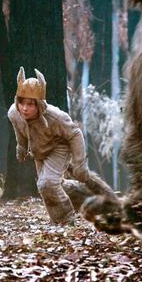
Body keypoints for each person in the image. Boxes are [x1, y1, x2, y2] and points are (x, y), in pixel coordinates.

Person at [8, 66, 89, 224]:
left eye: (30, 104)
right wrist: (22, 147)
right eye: (22, 103)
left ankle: (66, 219)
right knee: (46, 186)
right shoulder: (14, 113)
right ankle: (79, 195)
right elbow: (19, 130)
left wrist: (80, 163)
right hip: (39, 150)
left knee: (47, 183)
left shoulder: (55, 117)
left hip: (59, 147)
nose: (24, 108)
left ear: (39, 104)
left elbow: (75, 134)